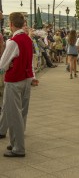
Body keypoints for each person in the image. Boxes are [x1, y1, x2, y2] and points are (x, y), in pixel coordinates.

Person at [0, 12, 34, 157]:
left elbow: (2, 64)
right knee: (22, 112)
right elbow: (29, 60)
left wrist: (7, 67)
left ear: (11, 24)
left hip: (14, 80)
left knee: (14, 114)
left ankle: (18, 147)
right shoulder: (27, 39)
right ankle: (15, 142)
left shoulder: (13, 41)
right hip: (26, 78)